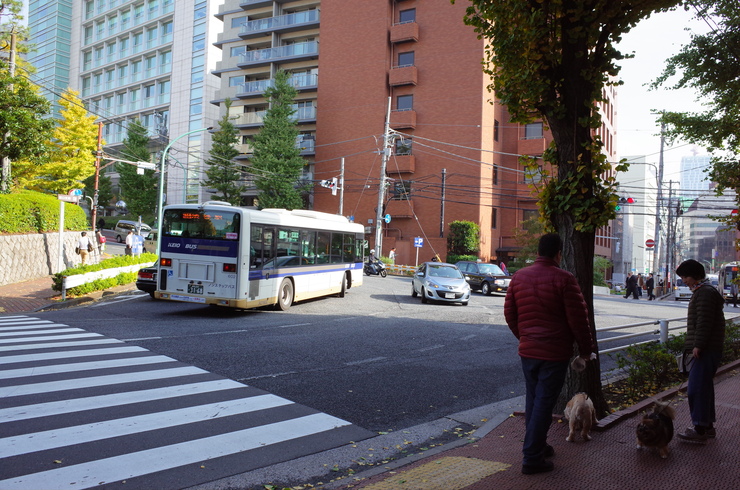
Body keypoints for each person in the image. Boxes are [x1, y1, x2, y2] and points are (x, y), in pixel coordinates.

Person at [504, 233, 596, 474]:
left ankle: (538, 446)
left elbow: (510, 314)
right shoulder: (564, 279)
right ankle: (532, 457)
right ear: (559, 253)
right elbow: (579, 319)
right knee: (544, 403)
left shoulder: (519, 277)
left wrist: (525, 337)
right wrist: (586, 350)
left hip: (529, 351)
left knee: (534, 400)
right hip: (554, 353)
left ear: (538, 251)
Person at [675, 259, 725, 443]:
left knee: (696, 388)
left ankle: (700, 429)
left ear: (695, 275)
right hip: (709, 347)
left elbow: (704, 322)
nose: (684, 280)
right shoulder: (703, 291)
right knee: (703, 387)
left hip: (706, 348)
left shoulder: (704, 293)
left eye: (686, 276)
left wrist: (698, 345)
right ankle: (707, 426)